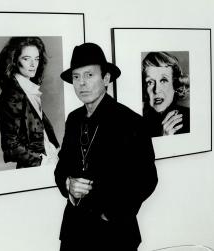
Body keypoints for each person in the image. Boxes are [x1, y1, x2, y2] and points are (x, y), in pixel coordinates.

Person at [54, 43, 158, 251]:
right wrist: (68, 184)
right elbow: (62, 167)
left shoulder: (130, 121)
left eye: (89, 75)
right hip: (73, 233)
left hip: (114, 236)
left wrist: (110, 214)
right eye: (76, 77)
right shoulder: (74, 119)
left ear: (106, 78)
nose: (82, 83)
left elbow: (147, 179)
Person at [0, 37, 59, 169]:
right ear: (14, 60)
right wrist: (42, 161)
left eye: (36, 59)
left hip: (51, 161)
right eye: (26, 58)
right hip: (35, 169)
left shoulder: (29, 90)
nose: (33, 64)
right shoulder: (11, 96)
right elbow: (11, 147)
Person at [142, 51, 190, 137]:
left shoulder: (190, 119)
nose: (156, 90)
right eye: (150, 82)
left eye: (163, 80)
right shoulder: (137, 122)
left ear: (175, 85)